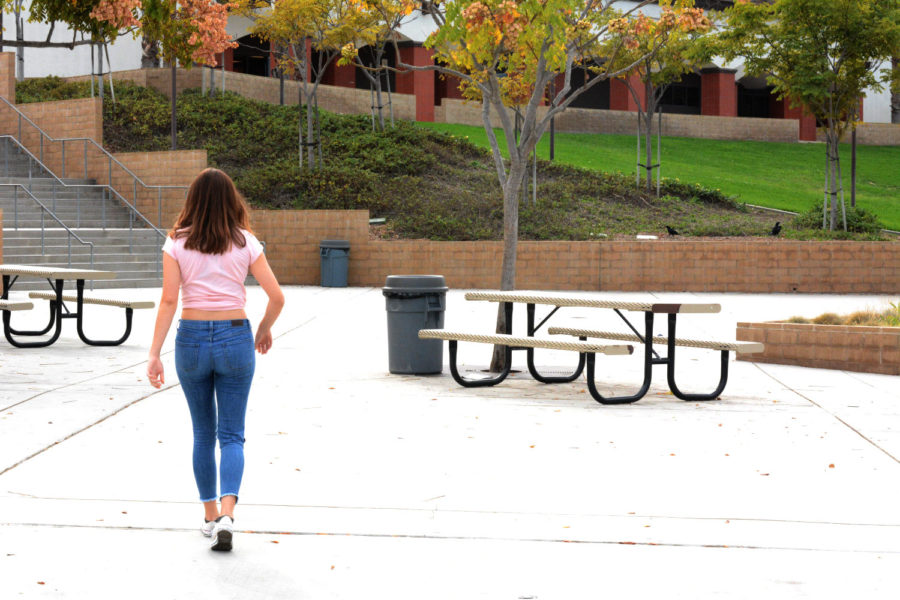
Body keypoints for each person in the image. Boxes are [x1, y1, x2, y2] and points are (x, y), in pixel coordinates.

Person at [146, 168, 284, 552]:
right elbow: (277, 297)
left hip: (190, 340)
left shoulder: (175, 242)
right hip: (235, 337)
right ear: (232, 201)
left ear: (192, 201)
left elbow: (170, 300)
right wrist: (262, 330)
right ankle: (228, 514)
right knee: (232, 435)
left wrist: (155, 353)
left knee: (203, 435)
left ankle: (209, 518)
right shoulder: (246, 242)